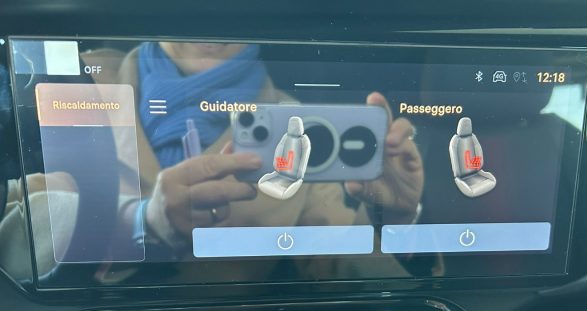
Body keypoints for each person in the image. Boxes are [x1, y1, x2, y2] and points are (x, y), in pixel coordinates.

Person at [82, 42, 424, 259]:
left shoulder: (299, 127)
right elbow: (45, 232)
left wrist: (392, 219)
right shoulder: (81, 79)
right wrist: (142, 221)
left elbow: (338, 269)